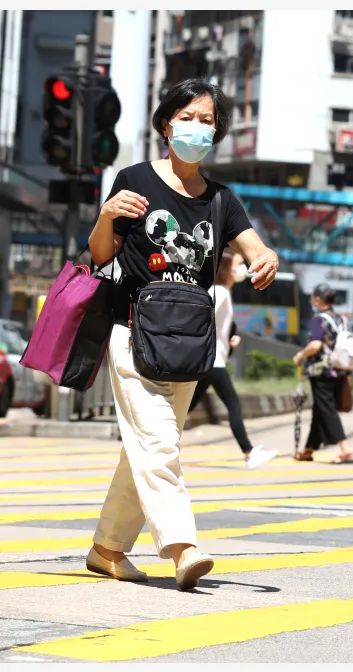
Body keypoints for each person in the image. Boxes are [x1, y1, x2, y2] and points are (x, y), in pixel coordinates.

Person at [86, 78, 280, 591]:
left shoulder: (221, 199)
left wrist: (266, 258)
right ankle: (182, 546)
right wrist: (106, 215)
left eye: (207, 120)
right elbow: (100, 254)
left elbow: (255, 247)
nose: (197, 127)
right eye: (188, 116)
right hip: (134, 333)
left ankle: (106, 549)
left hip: (188, 344)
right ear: (166, 123)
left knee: (147, 449)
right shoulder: (135, 180)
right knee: (158, 443)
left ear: (217, 133)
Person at [187, 250, 279, 469]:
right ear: (226, 268)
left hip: (208, 359)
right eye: (238, 264)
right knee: (233, 404)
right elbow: (200, 317)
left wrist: (229, 338)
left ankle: (156, 440)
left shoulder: (218, 291)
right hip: (212, 360)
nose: (241, 270)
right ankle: (248, 452)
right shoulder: (220, 292)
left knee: (185, 406)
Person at [292, 283, 353, 464]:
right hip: (339, 370)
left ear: (318, 300)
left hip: (322, 372)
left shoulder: (319, 320)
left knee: (326, 410)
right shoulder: (341, 319)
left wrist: (300, 355)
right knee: (320, 411)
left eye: (313, 297)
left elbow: (315, 345)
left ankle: (345, 449)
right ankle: (308, 450)